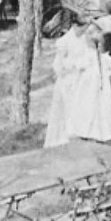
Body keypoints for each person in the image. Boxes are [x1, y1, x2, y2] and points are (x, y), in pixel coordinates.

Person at [44, 11, 92, 148]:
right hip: (67, 82)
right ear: (75, 25)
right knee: (66, 112)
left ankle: (77, 140)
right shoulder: (63, 42)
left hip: (80, 81)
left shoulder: (84, 40)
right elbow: (58, 66)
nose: (85, 30)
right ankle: (60, 140)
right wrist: (75, 65)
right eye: (83, 27)